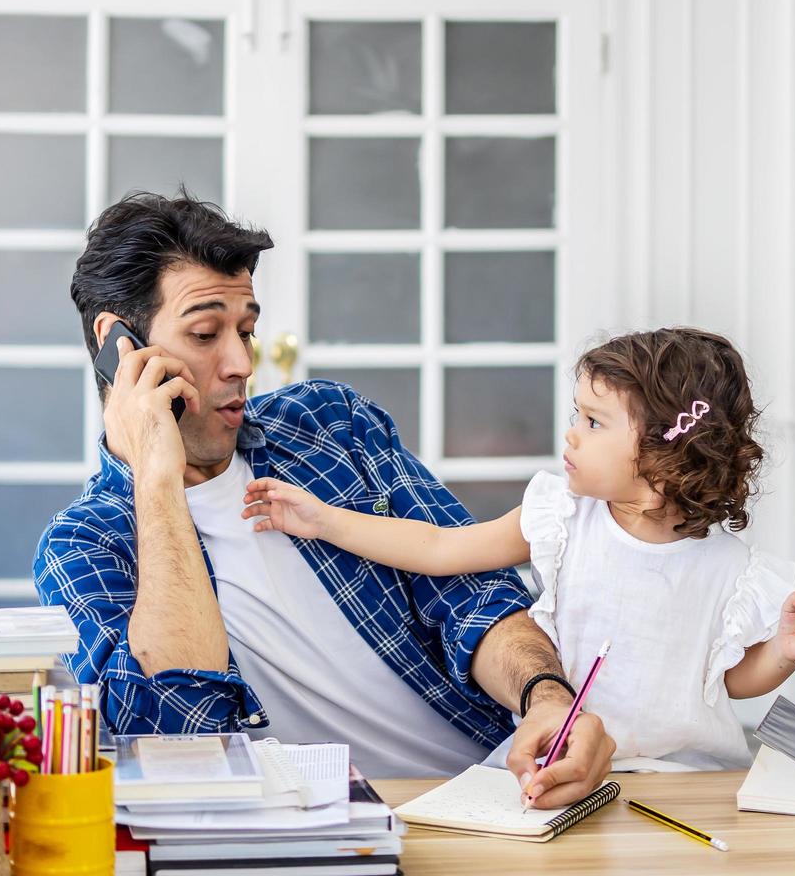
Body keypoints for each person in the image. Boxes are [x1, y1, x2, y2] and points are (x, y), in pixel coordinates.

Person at [33, 190, 614, 807]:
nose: (240, 362)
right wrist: (155, 475)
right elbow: (177, 734)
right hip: (335, 838)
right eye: (205, 333)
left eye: (247, 330)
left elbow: (473, 594)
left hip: (511, 787)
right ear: (118, 346)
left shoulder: (331, 425)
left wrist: (546, 698)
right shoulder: (85, 547)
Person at [243, 328, 795, 771]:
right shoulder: (562, 516)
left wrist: (784, 651)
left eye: (594, 423)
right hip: (563, 756)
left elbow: (732, 680)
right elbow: (439, 546)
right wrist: (325, 521)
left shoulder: (734, 570)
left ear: (663, 460)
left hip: (688, 778)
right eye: (578, 414)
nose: (571, 433)